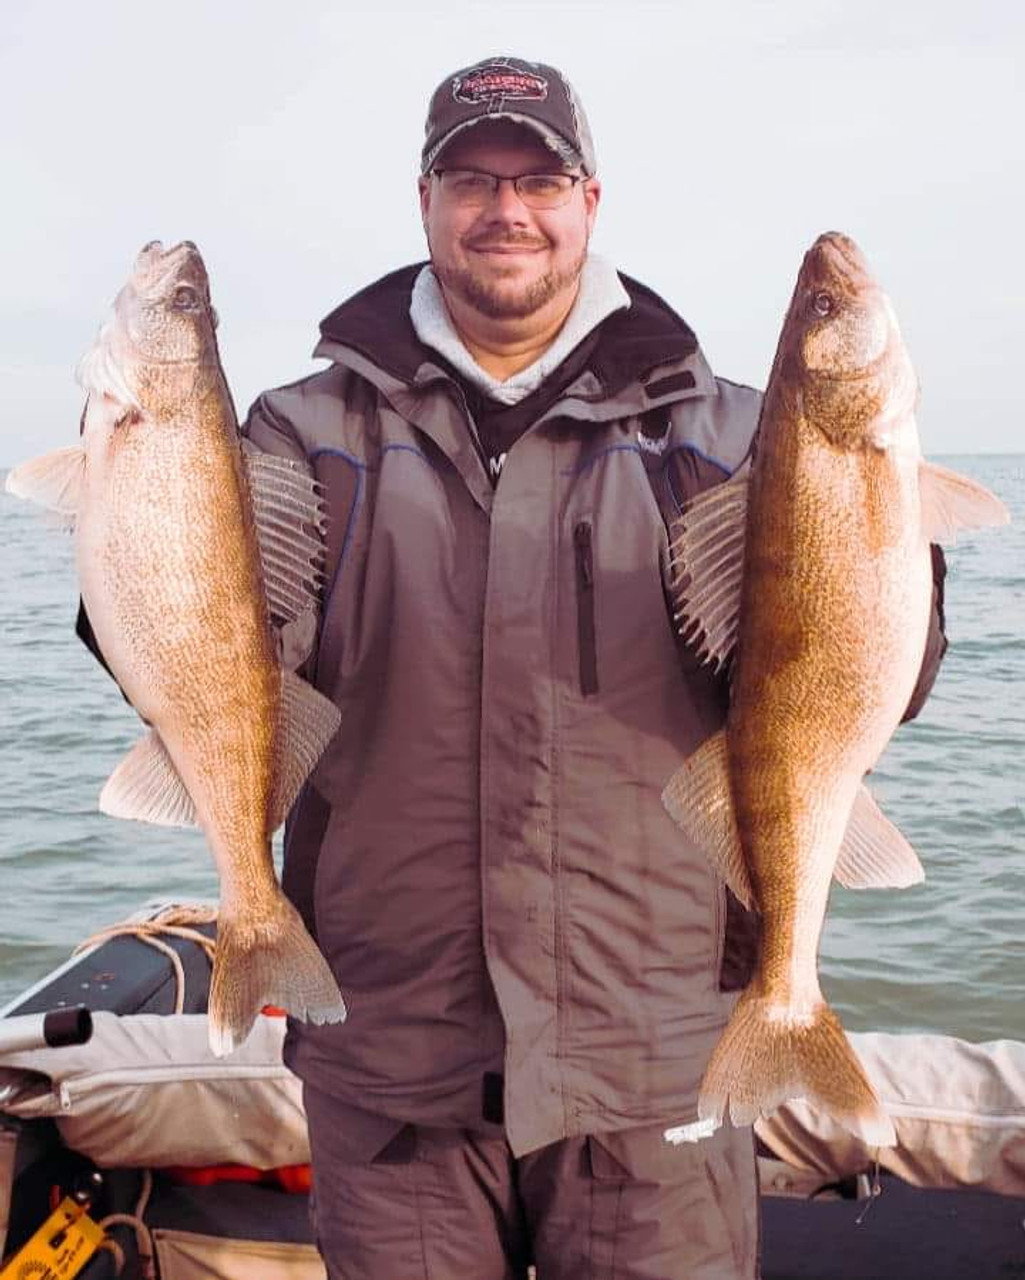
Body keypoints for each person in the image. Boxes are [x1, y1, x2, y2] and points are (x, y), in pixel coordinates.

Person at [231, 55, 945, 1279]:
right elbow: (220, 663)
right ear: (424, 199)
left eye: (538, 177)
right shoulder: (300, 431)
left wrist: (888, 559)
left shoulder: (729, 433)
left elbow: (864, 684)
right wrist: (130, 575)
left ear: (589, 201)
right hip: (394, 1052)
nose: (505, 208)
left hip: (654, 1051)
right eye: (471, 178)